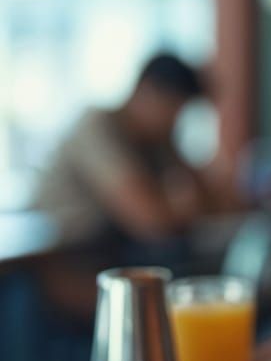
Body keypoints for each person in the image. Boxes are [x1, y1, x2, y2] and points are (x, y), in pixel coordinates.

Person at [30, 51, 233, 248]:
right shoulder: (98, 128)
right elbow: (150, 222)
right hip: (57, 256)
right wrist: (184, 208)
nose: (174, 121)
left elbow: (212, 202)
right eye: (171, 108)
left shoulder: (158, 139)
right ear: (146, 91)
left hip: (106, 249)